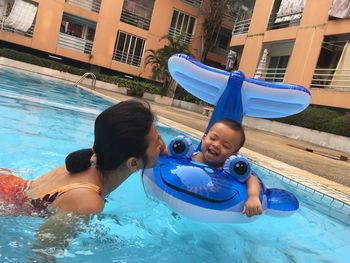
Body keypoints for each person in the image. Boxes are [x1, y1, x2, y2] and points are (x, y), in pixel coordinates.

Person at [0, 99, 167, 254]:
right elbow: (41, 252)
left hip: (9, 185)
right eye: (157, 142)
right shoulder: (89, 201)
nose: (162, 144)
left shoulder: (90, 159)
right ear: (133, 164)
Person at [192, 118, 262, 217]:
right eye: (213, 138)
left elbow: (251, 178)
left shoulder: (228, 169)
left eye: (225, 146)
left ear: (233, 154)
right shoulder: (190, 156)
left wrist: (253, 196)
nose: (216, 145)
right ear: (203, 138)